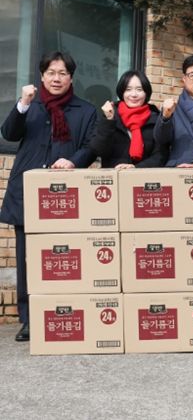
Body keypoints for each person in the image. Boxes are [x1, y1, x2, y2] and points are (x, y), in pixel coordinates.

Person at [0, 51, 97, 342]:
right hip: (27, 193)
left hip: (65, 196)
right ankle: (29, 319)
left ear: (71, 78)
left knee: (64, 256)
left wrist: (73, 161)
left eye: (62, 73)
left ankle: (63, 314)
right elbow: (9, 133)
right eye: (51, 73)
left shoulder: (85, 110)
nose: (57, 78)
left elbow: (91, 146)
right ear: (42, 76)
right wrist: (23, 104)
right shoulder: (31, 104)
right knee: (27, 259)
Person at [89, 70, 166, 168]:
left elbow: (160, 156)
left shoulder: (155, 119)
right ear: (122, 92)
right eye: (128, 89)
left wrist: (136, 168)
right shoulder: (111, 114)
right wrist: (109, 121)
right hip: (114, 175)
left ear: (146, 93)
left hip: (144, 176)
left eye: (139, 89)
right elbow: (98, 150)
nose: (134, 94)